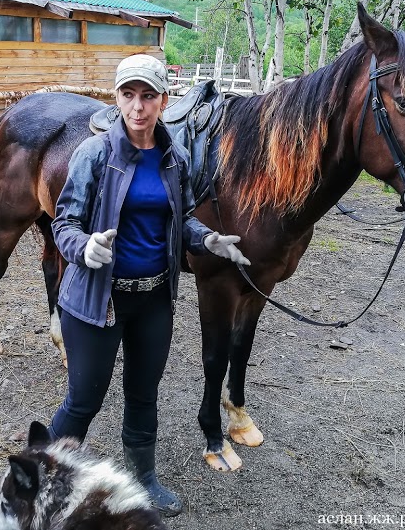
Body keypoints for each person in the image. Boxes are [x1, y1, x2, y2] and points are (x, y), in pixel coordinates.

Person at [49, 54, 250, 517]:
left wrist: (209, 238)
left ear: (163, 100)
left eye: (147, 96)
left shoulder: (174, 158)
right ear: (117, 98)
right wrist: (83, 248)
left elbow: (179, 221)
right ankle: (47, 478)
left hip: (153, 299)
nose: (137, 107)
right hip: (98, 300)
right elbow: (65, 222)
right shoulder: (94, 154)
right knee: (84, 400)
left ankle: (142, 479)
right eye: (128, 94)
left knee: (144, 395)